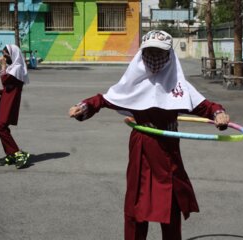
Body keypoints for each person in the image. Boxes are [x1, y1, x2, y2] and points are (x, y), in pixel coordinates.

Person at [69, 30, 230, 240]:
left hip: (168, 150)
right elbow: (103, 100)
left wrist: (219, 114)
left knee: (171, 206)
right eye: (149, 52)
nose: (154, 58)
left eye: (159, 53)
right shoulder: (133, 82)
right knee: (136, 206)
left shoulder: (179, 85)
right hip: (141, 150)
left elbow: (207, 107)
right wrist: (83, 107)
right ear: (141, 54)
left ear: (169, 55)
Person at [0, 44, 30, 169]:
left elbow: (6, 81)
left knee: (1, 128)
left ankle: (18, 153)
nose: (4, 57)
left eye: (5, 54)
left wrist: (3, 66)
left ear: (12, 54)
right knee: (3, 128)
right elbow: (9, 87)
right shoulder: (13, 67)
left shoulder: (17, 68)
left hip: (11, 102)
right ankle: (11, 154)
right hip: (6, 100)